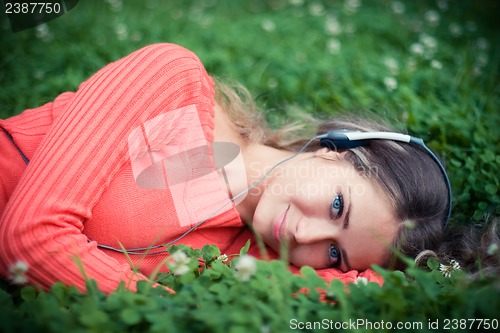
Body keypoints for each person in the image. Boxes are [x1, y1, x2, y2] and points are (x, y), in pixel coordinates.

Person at [0, 43, 491, 293]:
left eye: (336, 255)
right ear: (331, 148)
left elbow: (360, 299)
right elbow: (28, 238)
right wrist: (168, 305)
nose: (305, 234)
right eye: (337, 205)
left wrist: (461, 272)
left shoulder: (252, 258)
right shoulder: (171, 82)